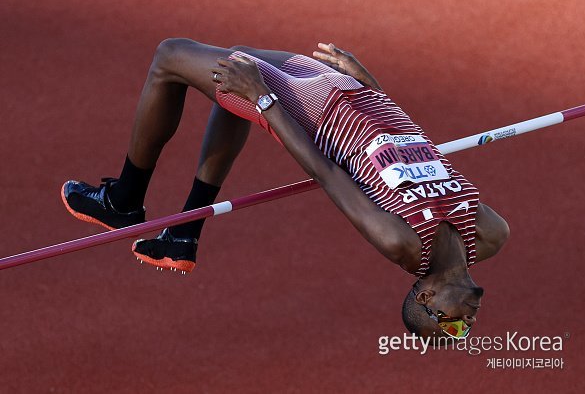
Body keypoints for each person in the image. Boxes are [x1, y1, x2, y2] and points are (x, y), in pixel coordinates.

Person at [61, 39, 510, 338]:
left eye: (451, 326)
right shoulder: (490, 234)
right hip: (358, 95)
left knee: (170, 56)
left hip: (315, 110)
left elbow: (327, 174)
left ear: (425, 296)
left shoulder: (402, 243)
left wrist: (262, 99)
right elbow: (422, 152)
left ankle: (123, 200)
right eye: (459, 328)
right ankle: (185, 232)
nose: (466, 324)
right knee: (235, 56)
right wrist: (374, 87)